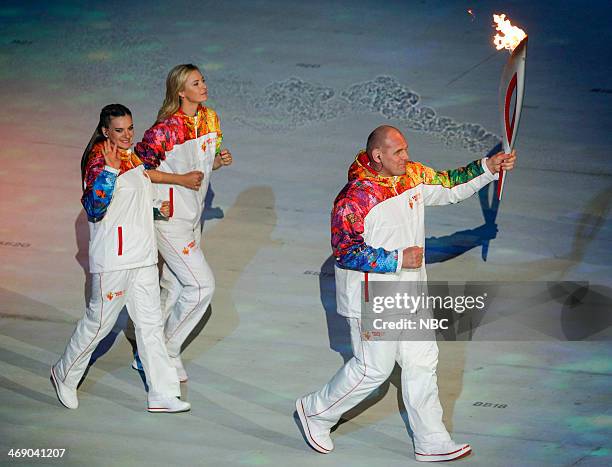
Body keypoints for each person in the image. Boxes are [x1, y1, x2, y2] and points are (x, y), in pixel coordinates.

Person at [295, 125, 516, 462]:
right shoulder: (354, 198)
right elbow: (345, 251)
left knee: (422, 362)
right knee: (373, 371)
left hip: (410, 292)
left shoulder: (410, 175)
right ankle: (315, 411)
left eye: (405, 149)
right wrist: (397, 259)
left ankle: (431, 440)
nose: (406, 157)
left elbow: (448, 185)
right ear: (377, 156)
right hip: (372, 297)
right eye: (398, 152)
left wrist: (488, 167)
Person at [51, 104, 191, 413]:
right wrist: (111, 172)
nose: (127, 135)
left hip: (142, 256)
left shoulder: (133, 156)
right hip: (114, 261)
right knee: (100, 323)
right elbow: (96, 208)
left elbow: (131, 201)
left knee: (151, 325)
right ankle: (64, 372)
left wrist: (156, 209)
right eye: (119, 130)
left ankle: (162, 393)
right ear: (105, 131)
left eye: (130, 128)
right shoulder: (98, 161)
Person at [134, 64, 233, 382]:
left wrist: (219, 161)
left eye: (203, 80)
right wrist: (179, 179)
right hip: (168, 216)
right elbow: (138, 171)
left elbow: (207, 164)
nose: (203, 86)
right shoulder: (164, 130)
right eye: (195, 83)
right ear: (180, 91)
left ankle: (144, 351)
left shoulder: (211, 118)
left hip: (193, 216)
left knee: (175, 284)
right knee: (202, 286)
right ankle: (166, 349)